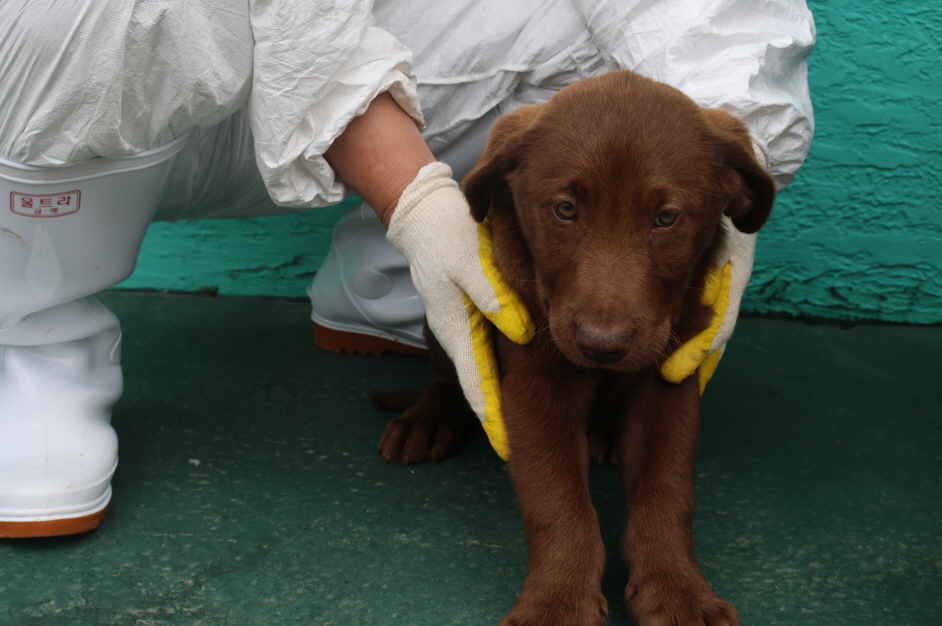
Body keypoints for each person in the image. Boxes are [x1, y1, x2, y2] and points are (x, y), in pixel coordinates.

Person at [0, 0, 815, 537]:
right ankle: (31, 335)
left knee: (583, 37)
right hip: (114, 93)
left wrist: (717, 164)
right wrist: (421, 203)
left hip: (344, 64)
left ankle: (391, 280)